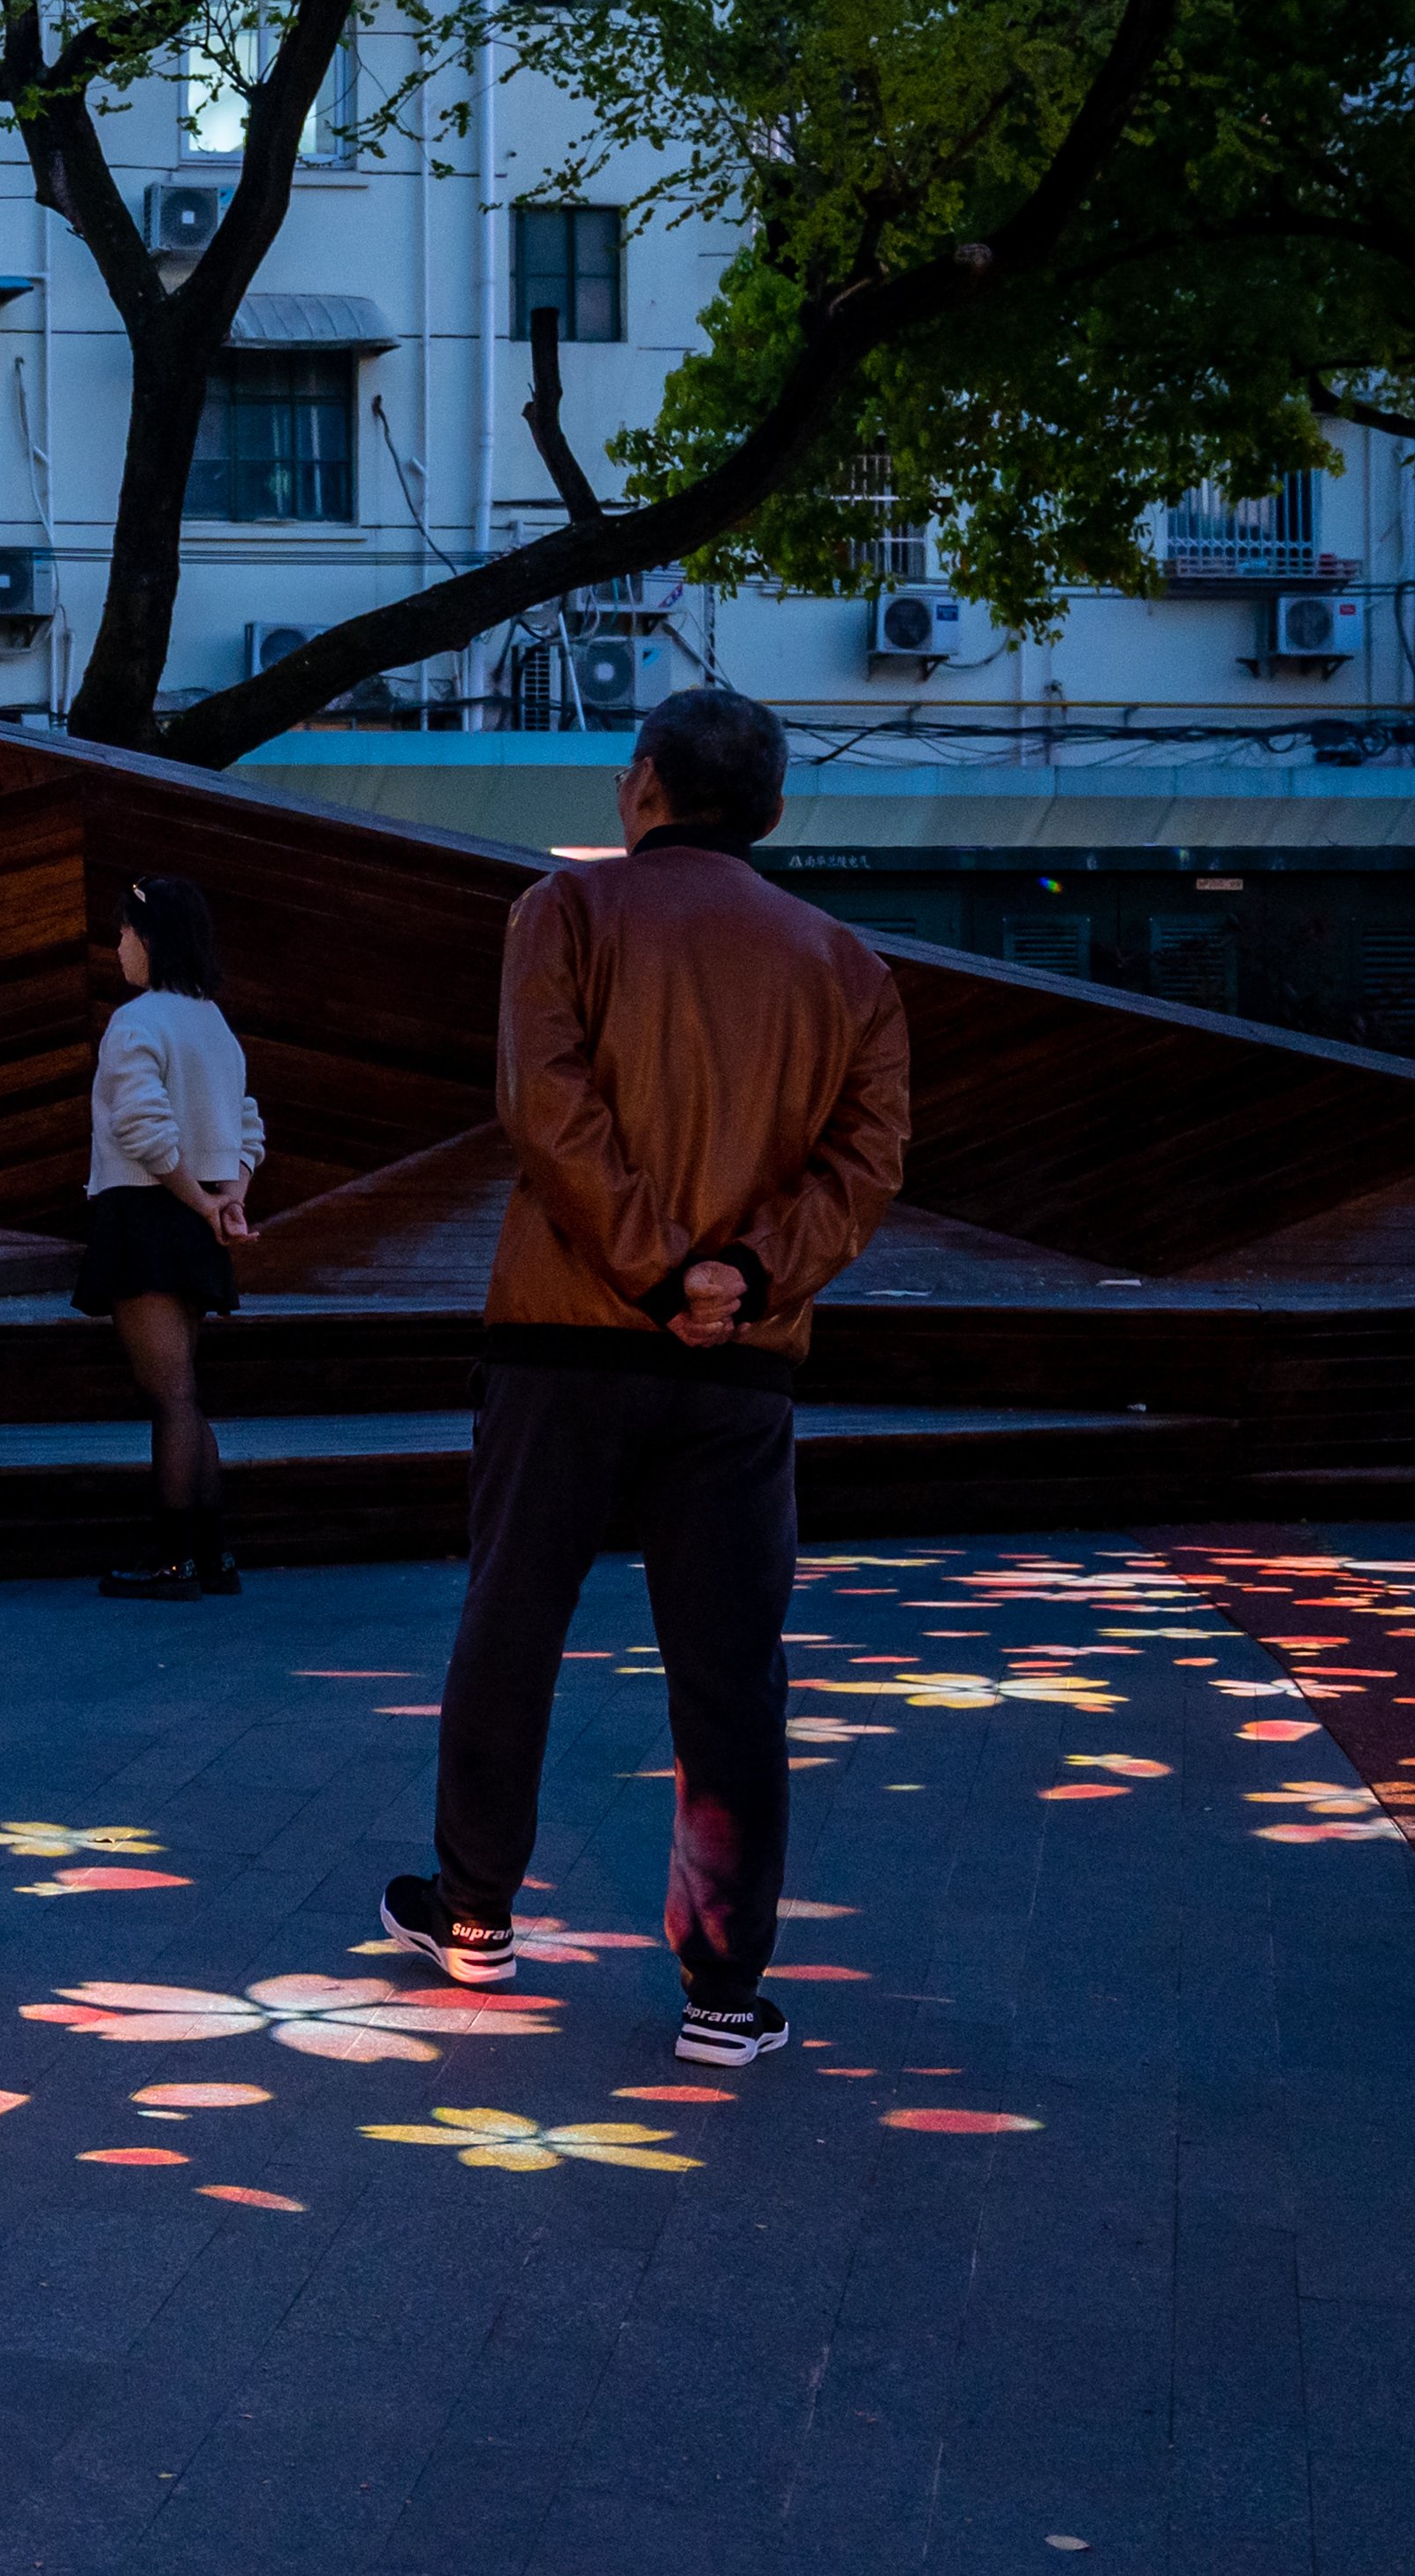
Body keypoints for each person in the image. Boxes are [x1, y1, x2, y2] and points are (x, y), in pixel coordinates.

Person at [383, 685, 909, 2070]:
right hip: (743, 1368)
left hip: (563, 1334)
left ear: (643, 786)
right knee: (730, 1672)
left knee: (513, 1623)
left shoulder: (562, 913)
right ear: (774, 808)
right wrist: (746, 1277)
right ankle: (723, 1991)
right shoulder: (849, 967)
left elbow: (544, 1107)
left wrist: (657, 1268)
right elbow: (866, 1168)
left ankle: (474, 1913)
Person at [73, 876, 262, 1601]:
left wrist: (201, 1201)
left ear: (150, 938)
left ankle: (174, 1559)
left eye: (124, 932)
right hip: (194, 1218)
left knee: (171, 1396)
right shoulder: (214, 1024)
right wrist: (227, 1199)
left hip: (147, 1215)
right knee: (186, 1391)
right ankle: (212, 1555)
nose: (118, 945)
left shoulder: (136, 1022)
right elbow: (247, 1122)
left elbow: (142, 1128)